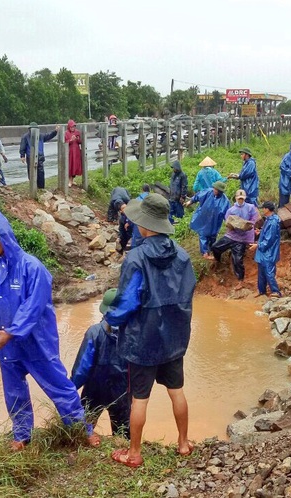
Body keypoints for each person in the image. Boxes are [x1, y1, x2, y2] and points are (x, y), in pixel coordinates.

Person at [0, 209, 99, 451]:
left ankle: (81, 429)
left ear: (3, 237)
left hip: (36, 340)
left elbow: (35, 305)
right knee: (13, 390)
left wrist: (14, 330)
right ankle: (21, 435)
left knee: (58, 384)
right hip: (5, 343)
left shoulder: (33, 268)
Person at [104, 193, 196, 468]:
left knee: (139, 398)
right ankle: (183, 443)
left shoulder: (136, 258)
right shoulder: (181, 255)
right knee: (177, 390)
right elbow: (188, 292)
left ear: (145, 225)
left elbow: (127, 302)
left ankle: (134, 453)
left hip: (143, 340)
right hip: (174, 338)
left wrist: (110, 320)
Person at [70, 288, 130, 438]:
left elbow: (82, 368)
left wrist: (70, 389)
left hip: (94, 388)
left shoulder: (94, 332)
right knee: (123, 431)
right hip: (122, 389)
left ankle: (84, 445)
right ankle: (123, 452)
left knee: (84, 426)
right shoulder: (132, 333)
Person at [211, 189, 260, 285]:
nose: (241, 200)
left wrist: (248, 225)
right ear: (236, 198)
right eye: (239, 198)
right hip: (232, 235)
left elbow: (254, 219)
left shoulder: (250, 208)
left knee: (237, 260)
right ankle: (218, 261)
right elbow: (227, 221)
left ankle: (240, 280)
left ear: (244, 198)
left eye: (242, 198)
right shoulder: (231, 210)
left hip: (243, 238)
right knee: (215, 247)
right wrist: (231, 225)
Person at [185, 181, 231, 259]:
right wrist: (190, 201)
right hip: (204, 217)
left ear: (220, 191)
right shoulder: (208, 192)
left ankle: (211, 250)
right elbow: (198, 196)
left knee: (212, 236)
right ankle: (205, 253)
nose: (214, 190)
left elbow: (228, 214)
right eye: (214, 188)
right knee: (203, 234)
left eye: (216, 189)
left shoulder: (225, 201)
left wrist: (229, 224)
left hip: (215, 222)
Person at [254, 201, 281, 298]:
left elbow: (269, 239)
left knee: (269, 272)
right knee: (261, 272)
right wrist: (260, 232)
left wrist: (257, 245)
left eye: (263, 208)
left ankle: (276, 291)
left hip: (269, 252)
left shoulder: (273, 222)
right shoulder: (269, 219)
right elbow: (267, 233)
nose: (262, 210)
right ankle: (262, 291)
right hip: (263, 252)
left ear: (267, 209)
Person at [19, 122, 58, 189]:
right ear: (29, 129)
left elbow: (48, 136)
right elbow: (22, 147)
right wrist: (22, 156)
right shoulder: (25, 137)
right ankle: (33, 187)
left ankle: (41, 187)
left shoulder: (41, 136)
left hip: (40, 156)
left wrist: (55, 131)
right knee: (31, 172)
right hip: (30, 157)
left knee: (41, 173)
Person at [130, 185, 150, 249]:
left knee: (136, 243)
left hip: (138, 224)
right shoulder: (152, 200)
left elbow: (132, 213)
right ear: (149, 191)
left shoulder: (137, 200)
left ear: (142, 190)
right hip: (150, 225)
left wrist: (129, 223)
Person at [65, 120, 83, 188]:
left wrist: (77, 139)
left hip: (76, 152)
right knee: (70, 165)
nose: (73, 128)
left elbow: (80, 141)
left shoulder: (77, 132)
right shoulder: (66, 133)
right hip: (70, 152)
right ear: (69, 127)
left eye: (74, 126)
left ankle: (72, 180)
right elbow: (65, 142)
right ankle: (70, 180)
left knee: (75, 165)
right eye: (72, 127)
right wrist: (70, 140)